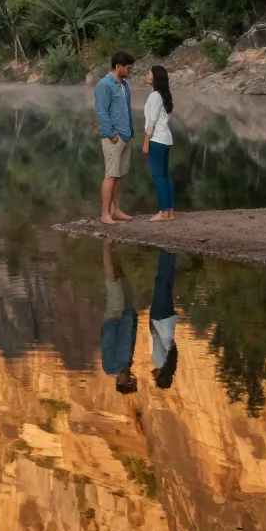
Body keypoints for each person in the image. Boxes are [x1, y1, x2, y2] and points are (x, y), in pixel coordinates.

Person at [94, 50, 136, 223]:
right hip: (114, 137)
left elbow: (126, 109)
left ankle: (116, 210)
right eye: (128, 68)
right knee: (110, 175)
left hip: (126, 136)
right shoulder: (104, 85)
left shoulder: (124, 85)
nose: (130, 71)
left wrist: (131, 132)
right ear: (118, 66)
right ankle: (105, 214)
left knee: (119, 176)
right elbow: (101, 112)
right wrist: (112, 134)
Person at [99, 240, 138, 394]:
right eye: (134, 383)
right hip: (127, 316)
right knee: (123, 279)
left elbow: (107, 342)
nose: (133, 380)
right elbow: (130, 338)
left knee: (112, 281)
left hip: (115, 317)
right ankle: (113, 249)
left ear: (120, 381)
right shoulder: (128, 363)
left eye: (130, 383)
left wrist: (115, 320)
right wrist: (132, 318)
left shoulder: (110, 367)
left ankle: (106, 244)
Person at [143, 63, 177, 222]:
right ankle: (170, 210)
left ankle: (163, 212)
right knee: (165, 175)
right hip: (165, 139)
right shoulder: (160, 95)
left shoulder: (154, 96)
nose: (146, 75)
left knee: (158, 176)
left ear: (155, 77)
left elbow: (152, 122)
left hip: (157, 139)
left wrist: (145, 142)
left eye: (149, 73)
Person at [149, 249, 179, 390]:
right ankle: (166, 250)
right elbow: (155, 337)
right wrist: (151, 322)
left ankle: (172, 253)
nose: (152, 376)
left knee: (168, 284)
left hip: (169, 321)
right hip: (159, 319)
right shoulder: (159, 361)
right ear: (159, 376)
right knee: (161, 281)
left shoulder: (171, 363)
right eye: (155, 378)